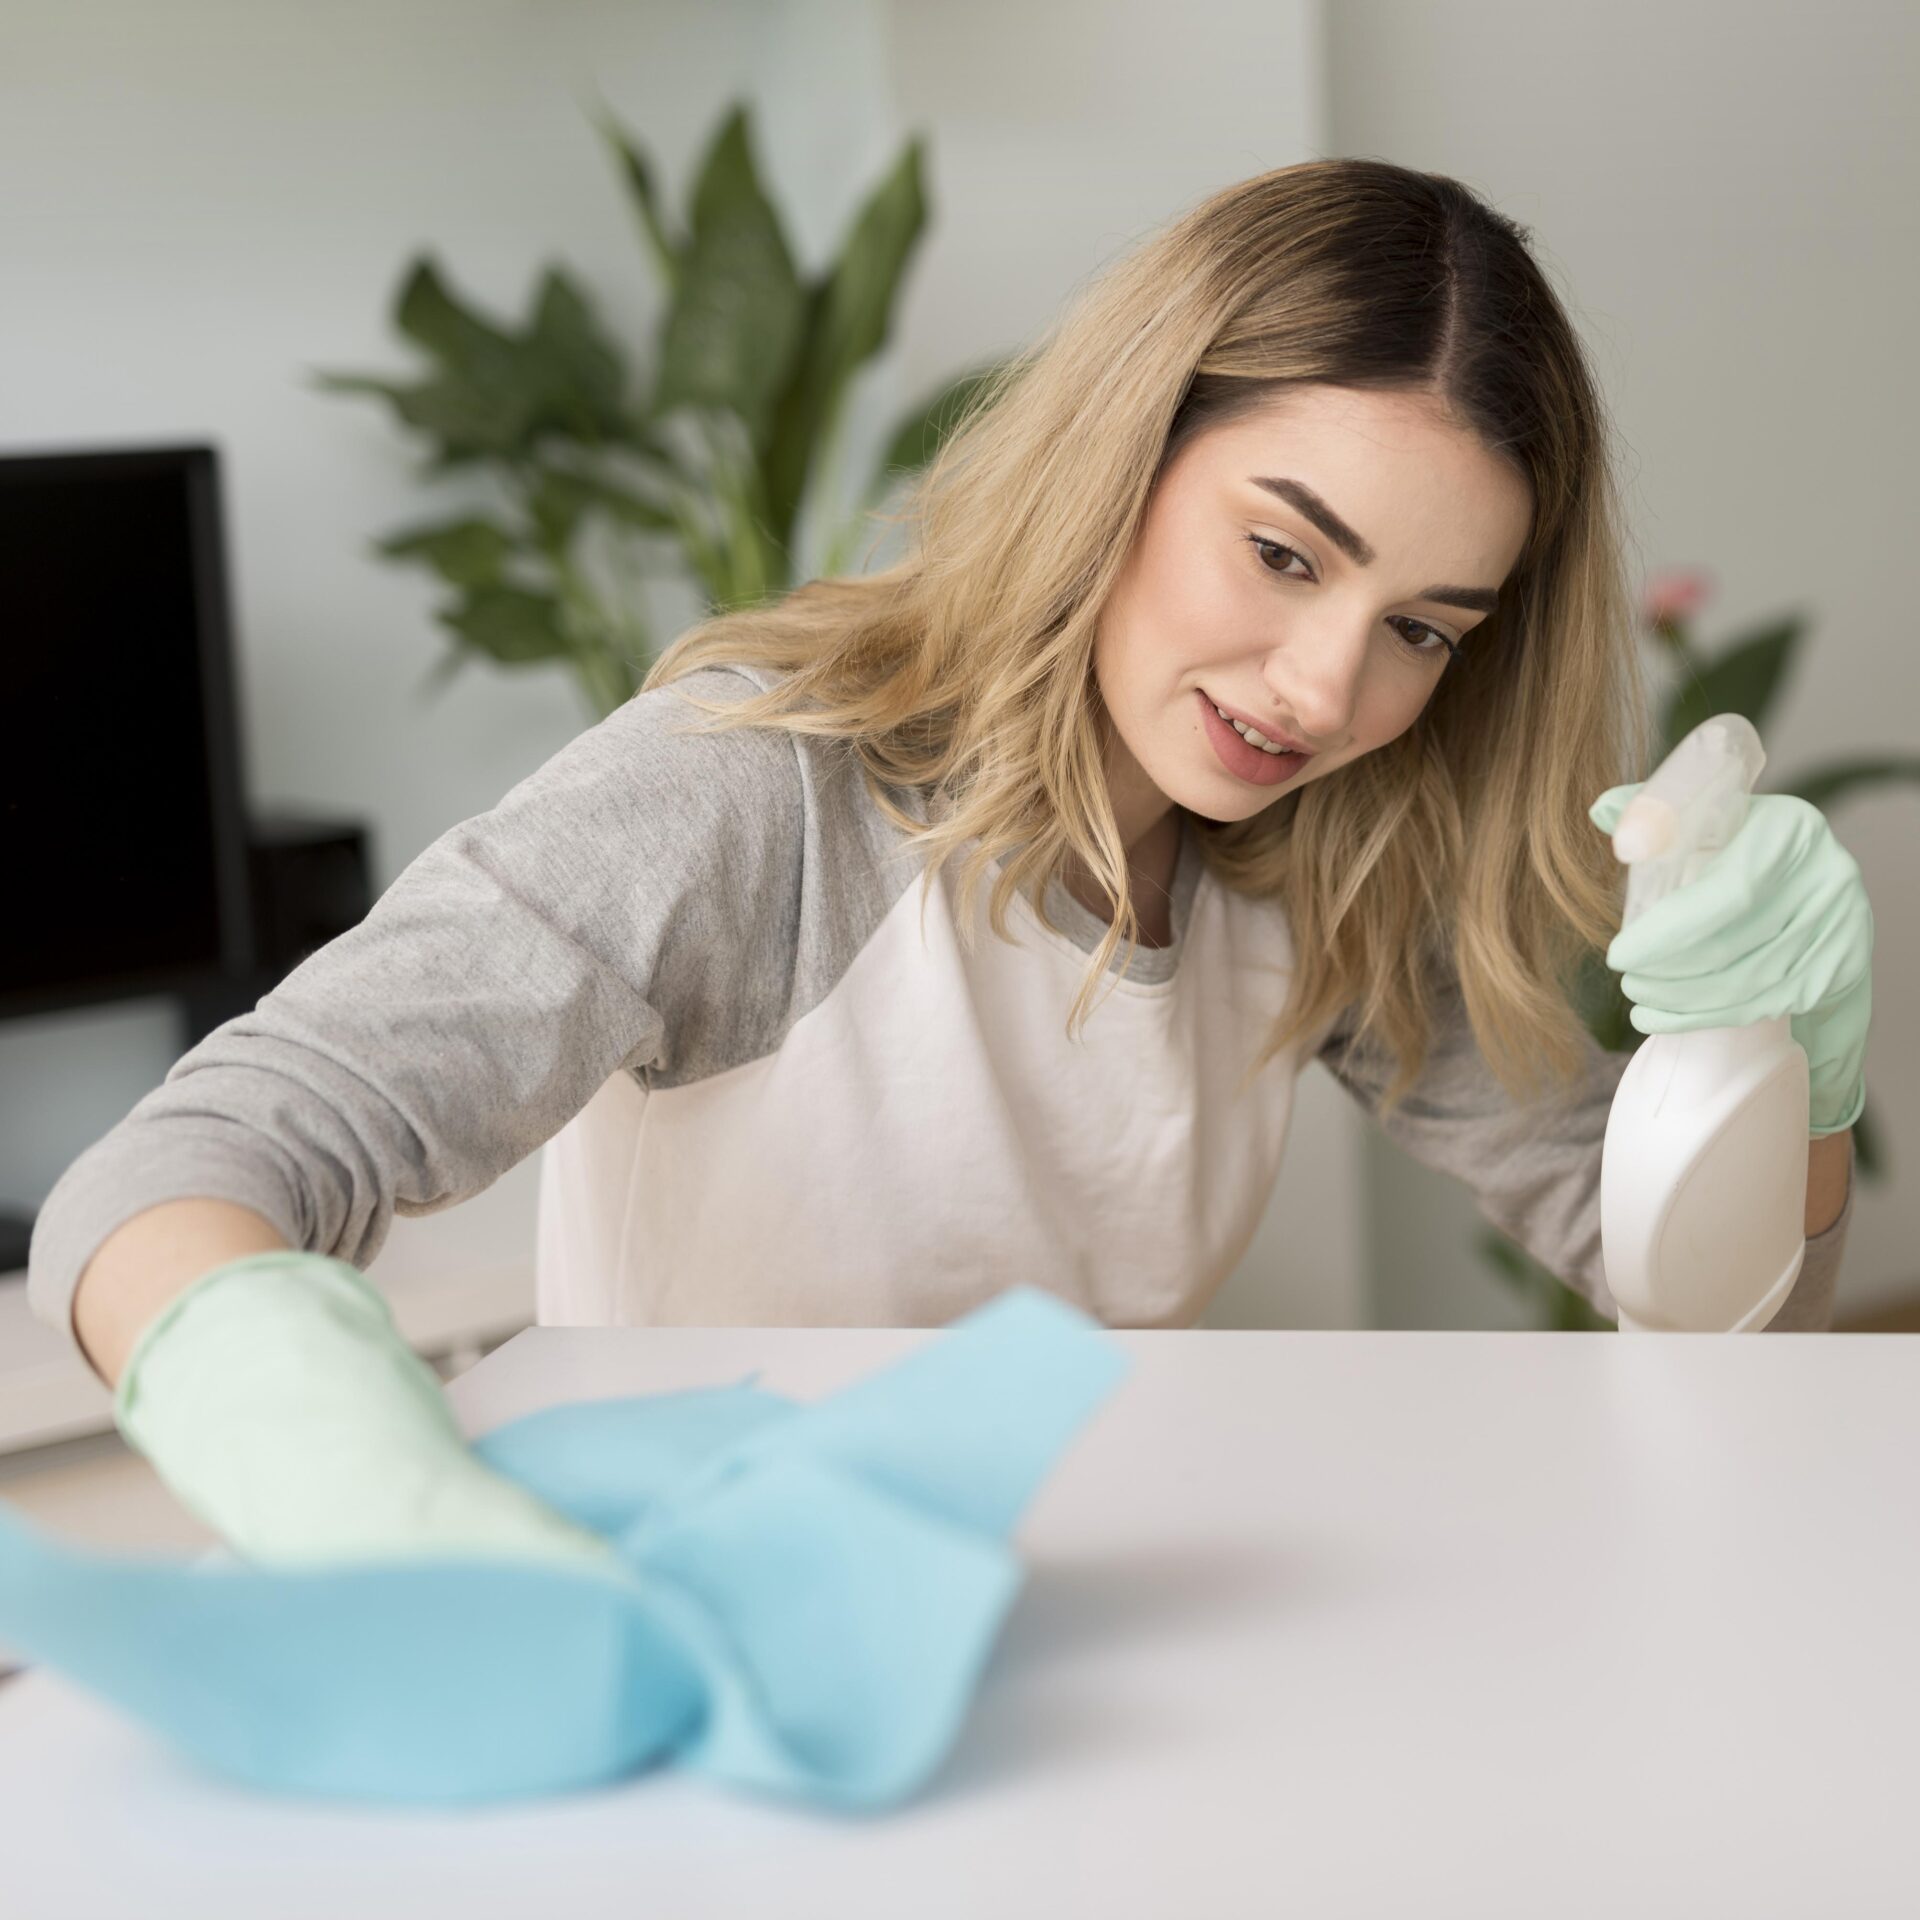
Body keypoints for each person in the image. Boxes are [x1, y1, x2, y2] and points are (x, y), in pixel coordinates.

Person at [25, 157, 1869, 1574]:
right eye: (1287, 554)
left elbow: (1701, 1303)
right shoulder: (765, 799)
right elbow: (175, 1177)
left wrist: (1776, 1071)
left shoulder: (1317, 849)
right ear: (1121, 458)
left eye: (1427, 628)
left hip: (1072, 1626)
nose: (1329, 688)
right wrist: (329, 1449)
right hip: (712, 1623)